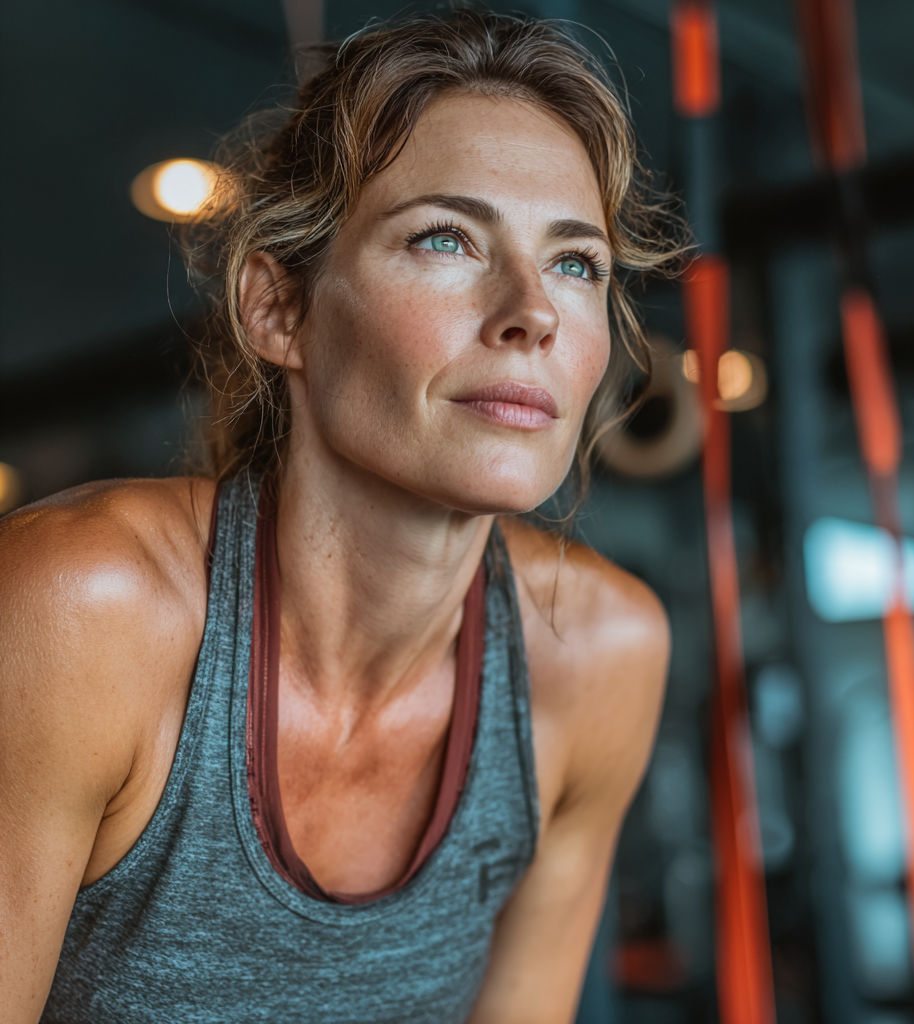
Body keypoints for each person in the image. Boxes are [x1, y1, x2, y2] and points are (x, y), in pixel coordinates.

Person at [0, 11, 684, 1022]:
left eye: (575, 261)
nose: (532, 310)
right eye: (446, 238)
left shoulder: (597, 653)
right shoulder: (84, 609)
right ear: (279, 308)